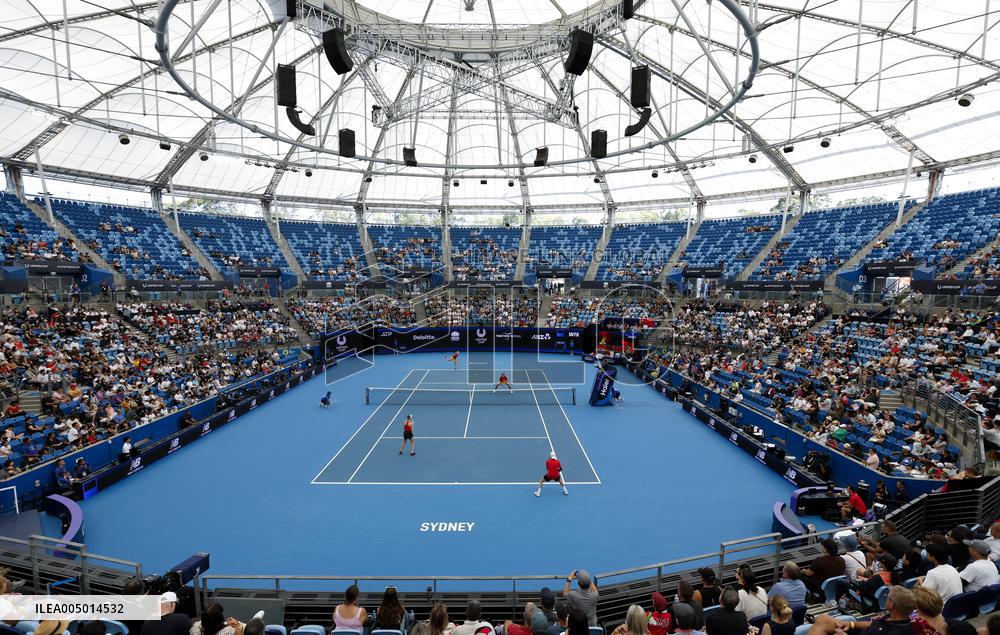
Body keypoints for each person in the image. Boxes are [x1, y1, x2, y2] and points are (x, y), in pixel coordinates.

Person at [807, 586, 930, 635]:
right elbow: (873, 623)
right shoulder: (894, 617)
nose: (886, 598)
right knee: (824, 618)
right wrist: (851, 624)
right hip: (863, 631)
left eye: (888, 597)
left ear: (892, 604)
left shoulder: (897, 632)